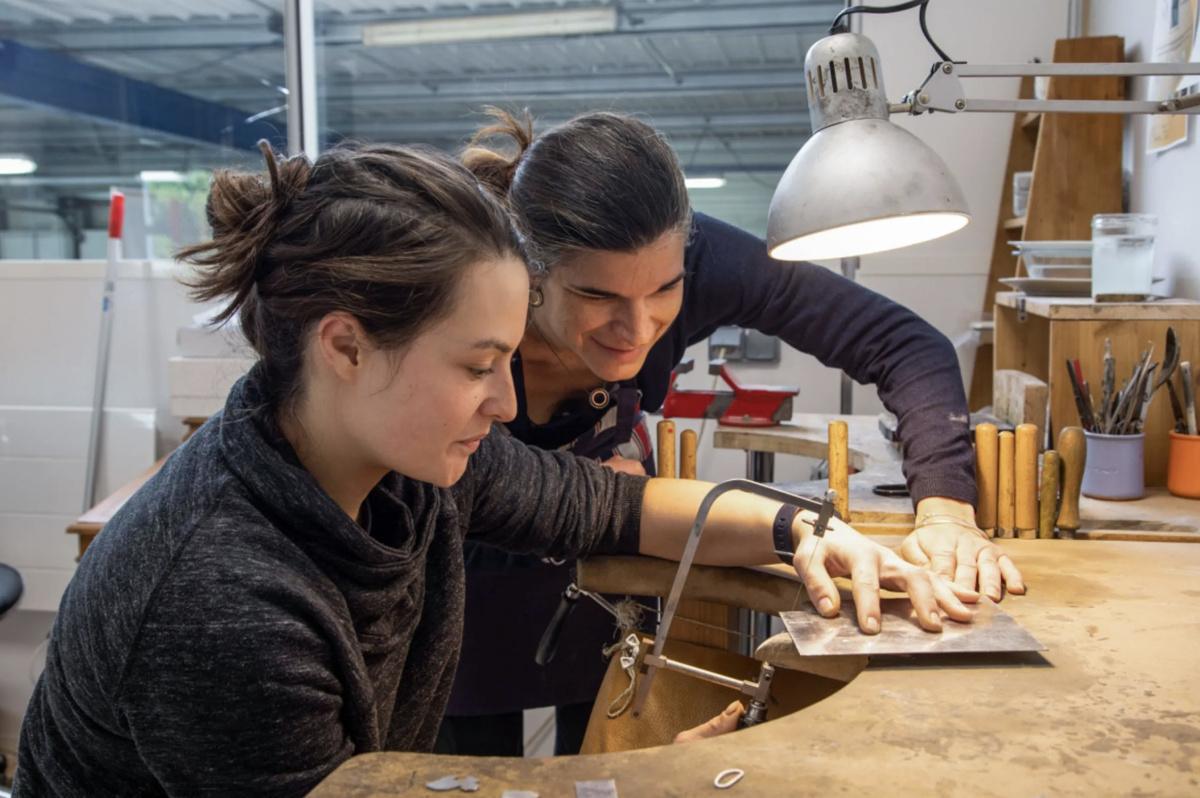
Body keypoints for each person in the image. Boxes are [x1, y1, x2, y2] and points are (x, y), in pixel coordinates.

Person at [13, 142, 974, 797]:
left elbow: (611, 507)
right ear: (344, 346)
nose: (510, 404)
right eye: (479, 367)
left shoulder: (398, 461)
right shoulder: (226, 605)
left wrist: (807, 529)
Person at [441, 109, 1028, 756]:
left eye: (665, 289)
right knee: (458, 774)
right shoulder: (464, 293)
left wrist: (945, 510)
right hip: (460, 579)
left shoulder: (699, 258)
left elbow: (903, 343)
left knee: (608, 766)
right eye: (598, 297)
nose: (637, 329)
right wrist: (594, 495)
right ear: (529, 275)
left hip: (611, 568)